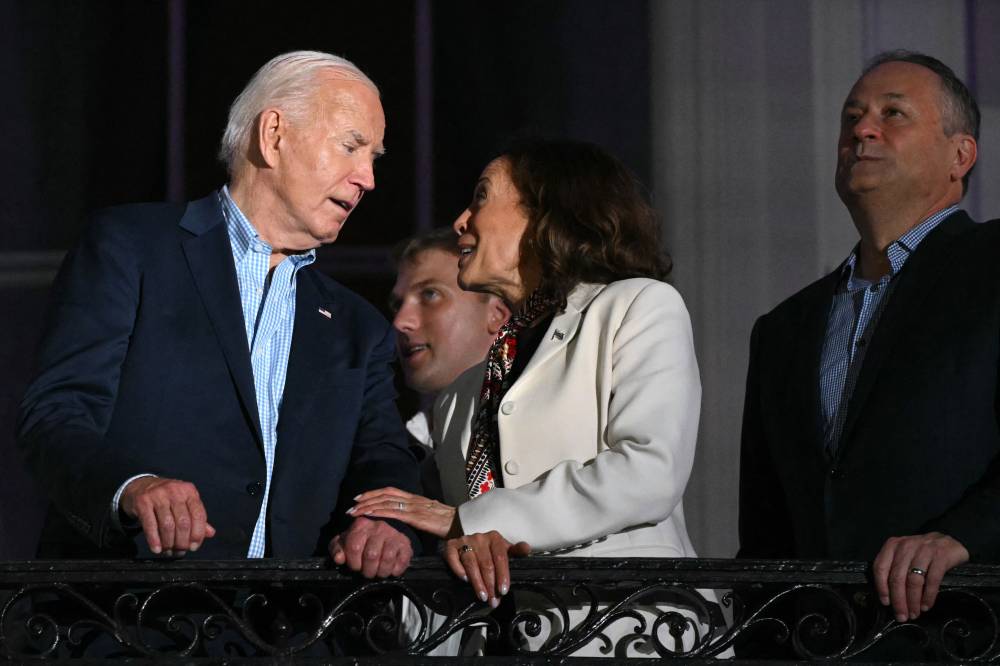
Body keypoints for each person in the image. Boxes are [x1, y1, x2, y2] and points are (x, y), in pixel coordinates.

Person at [17, 51, 421, 575]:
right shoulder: (131, 249)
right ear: (273, 135)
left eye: (374, 158)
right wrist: (131, 487)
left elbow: (383, 455)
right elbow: (56, 416)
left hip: (289, 635)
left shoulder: (356, 326)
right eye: (351, 147)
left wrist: (387, 522)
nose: (367, 178)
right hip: (125, 619)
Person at [352, 139, 719, 656]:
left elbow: (649, 470)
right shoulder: (459, 396)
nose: (462, 220)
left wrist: (470, 518)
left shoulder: (637, 306)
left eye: (481, 197)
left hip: (627, 634)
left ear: (547, 211)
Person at [738, 50, 997, 627]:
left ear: (961, 155)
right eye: (851, 116)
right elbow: (764, 530)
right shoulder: (782, 330)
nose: (861, 129)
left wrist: (962, 536)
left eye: (893, 113)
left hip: (967, 630)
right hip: (816, 641)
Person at [389, 227, 509, 478]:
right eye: (398, 304)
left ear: (497, 314)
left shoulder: (531, 430)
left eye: (430, 294)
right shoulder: (398, 445)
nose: (401, 321)